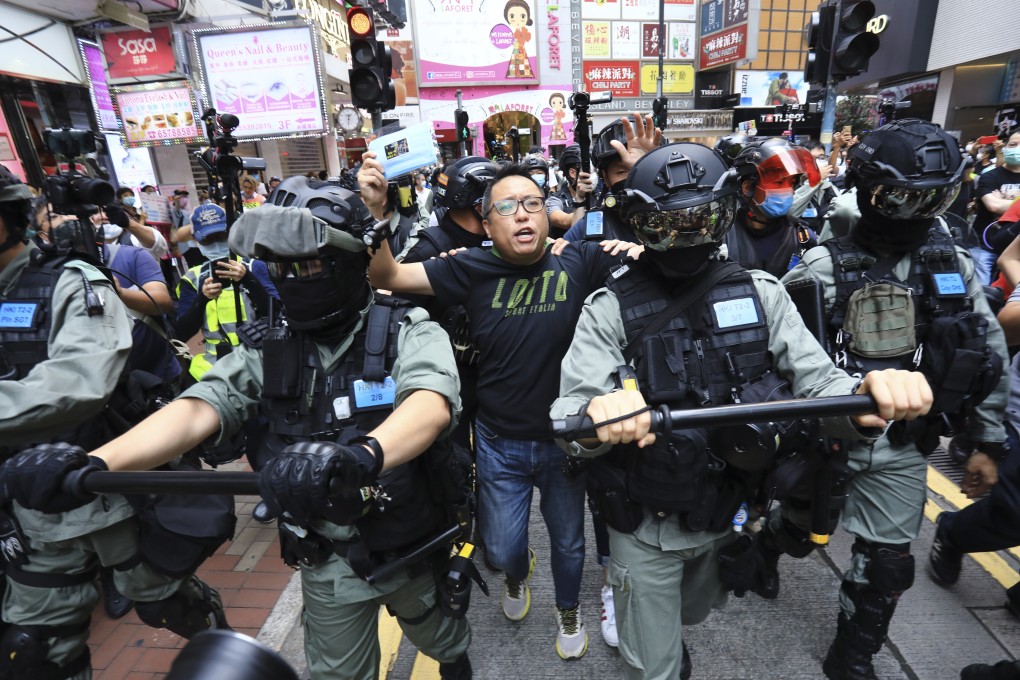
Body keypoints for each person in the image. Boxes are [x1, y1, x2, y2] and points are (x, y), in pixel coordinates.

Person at [8, 179, 475, 680]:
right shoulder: (272, 346)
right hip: (329, 559)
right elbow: (198, 408)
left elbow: (429, 405)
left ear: (352, 260)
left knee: (443, 641)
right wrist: (94, 464)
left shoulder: (410, 327)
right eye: (279, 267)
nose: (293, 279)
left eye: (309, 265)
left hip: (408, 543)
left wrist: (360, 454)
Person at [550, 142, 934, 680]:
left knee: (696, 611)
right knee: (653, 665)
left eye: (700, 220)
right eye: (664, 226)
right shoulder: (609, 307)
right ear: (639, 226)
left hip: (727, 512)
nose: (684, 238)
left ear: (727, 212)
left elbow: (822, 381)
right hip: (644, 524)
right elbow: (569, 412)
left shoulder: (763, 295)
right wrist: (598, 412)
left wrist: (870, 394)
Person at [367, 160, 644, 660]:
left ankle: (567, 609)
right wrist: (374, 210)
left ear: (547, 212)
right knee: (502, 549)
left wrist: (637, 247)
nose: (523, 215)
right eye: (507, 207)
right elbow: (386, 275)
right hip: (498, 442)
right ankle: (518, 575)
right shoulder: (467, 266)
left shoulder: (578, 260)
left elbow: (651, 271)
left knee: (570, 542)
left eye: (534, 203)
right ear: (486, 222)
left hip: (566, 439)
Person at [781, 119, 1009, 680]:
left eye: (934, 197)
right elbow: (781, 361)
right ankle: (767, 550)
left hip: (905, 443)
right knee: (790, 529)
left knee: (886, 562)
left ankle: (853, 656)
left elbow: (986, 352)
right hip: (825, 436)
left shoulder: (951, 265)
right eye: (901, 196)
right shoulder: (820, 267)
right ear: (868, 190)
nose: (915, 211)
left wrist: (986, 441)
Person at [0, 165, 230, 679]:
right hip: (28, 508)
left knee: (166, 602)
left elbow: (78, 384)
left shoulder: (70, 282)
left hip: (105, 491)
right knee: (34, 649)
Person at [175, 200, 275, 384]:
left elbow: (277, 314)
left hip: (260, 360)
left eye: (221, 237)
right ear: (197, 242)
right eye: (208, 240)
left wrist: (248, 280)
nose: (216, 245)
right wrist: (202, 299)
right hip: (213, 368)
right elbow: (183, 331)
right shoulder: (193, 278)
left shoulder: (254, 266)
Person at [723, 138, 821, 278]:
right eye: (779, 182)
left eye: (791, 183)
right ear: (747, 188)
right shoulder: (723, 237)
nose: (789, 190)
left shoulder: (802, 238)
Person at [563, 115, 663, 244]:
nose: (632, 178)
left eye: (642, 168)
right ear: (606, 178)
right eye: (622, 172)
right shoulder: (596, 224)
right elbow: (569, 249)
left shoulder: (681, 215)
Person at [971, 131, 1020, 283]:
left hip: (1015, 248)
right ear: (1004, 148)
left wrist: (1005, 202)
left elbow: (999, 205)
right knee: (979, 293)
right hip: (984, 245)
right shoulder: (989, 176)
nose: (1017, 149)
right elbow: (993, 206)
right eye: (1013, 145)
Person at [546, 144, 594, 238]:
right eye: (590, 172)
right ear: (572, 173)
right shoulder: (554, 200)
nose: (594, 176)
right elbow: (562, 220)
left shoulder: (600, 196)